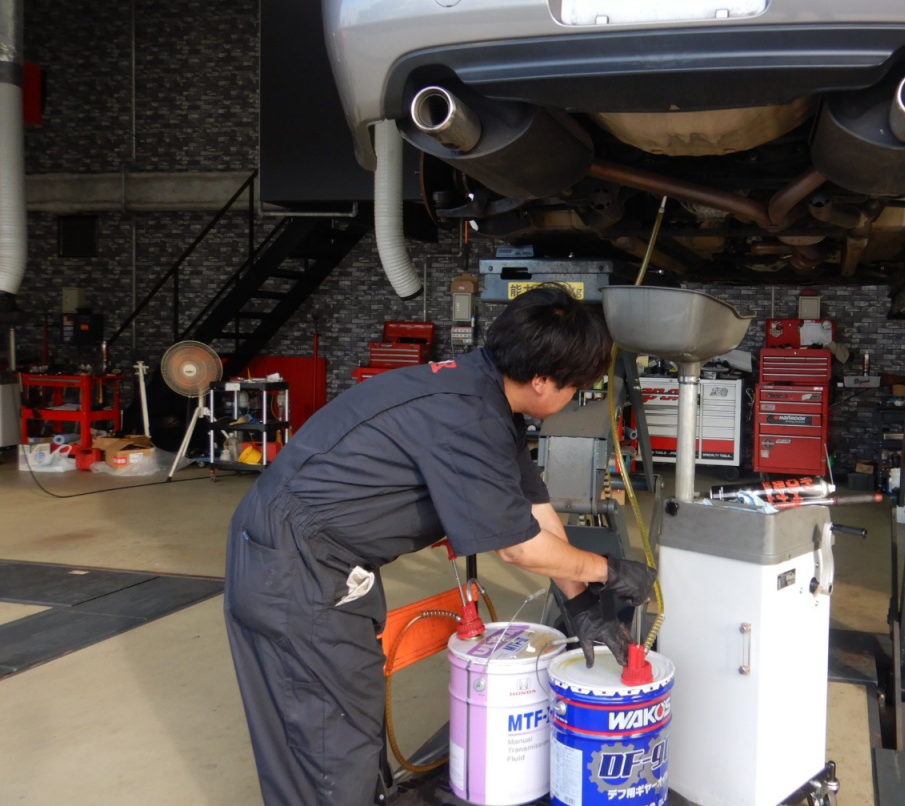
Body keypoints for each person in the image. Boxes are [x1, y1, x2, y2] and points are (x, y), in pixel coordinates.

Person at [223, 285, 657, 806]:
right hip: (297, 563)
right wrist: (608, 570)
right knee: (326, 737)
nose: (576, 399)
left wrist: (581, 603)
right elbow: (519, 547)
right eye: (577, 388)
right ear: (543, 380)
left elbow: (537, 511)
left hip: (325, 558)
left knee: (348, 713)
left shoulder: (486, 395)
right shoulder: (468, 416)